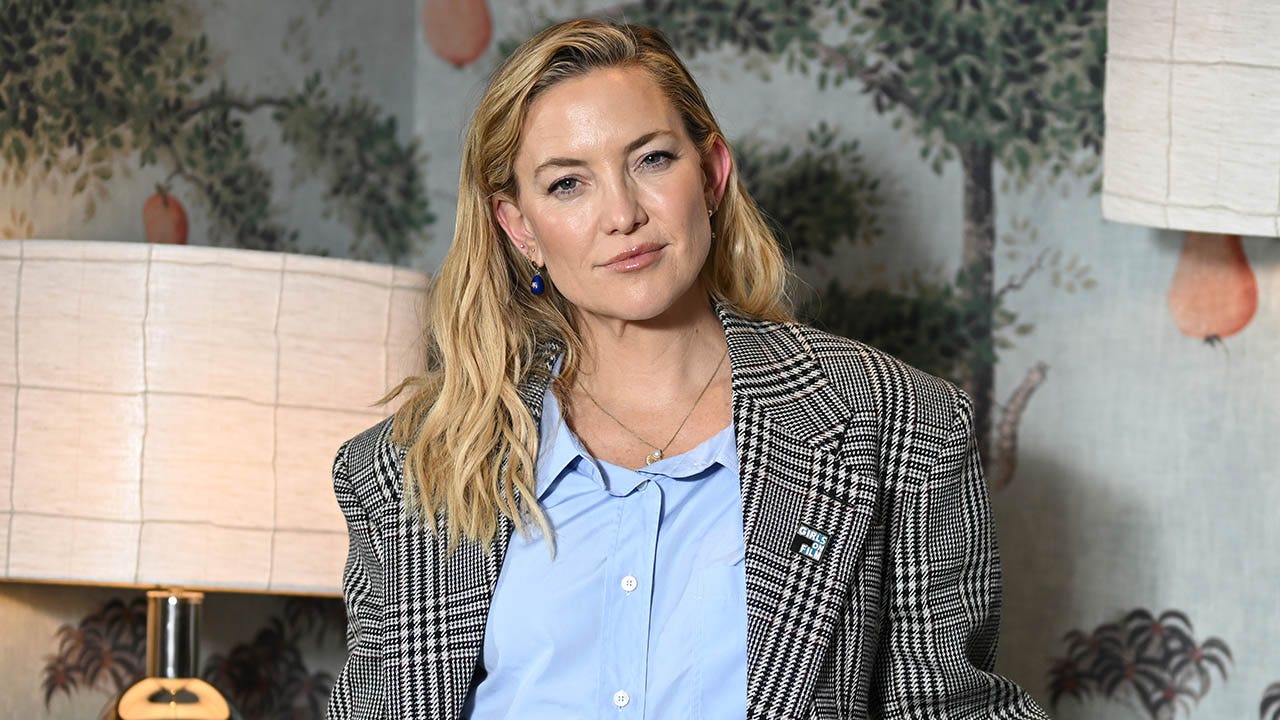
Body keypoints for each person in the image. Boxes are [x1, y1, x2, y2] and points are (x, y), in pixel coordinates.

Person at [326, 18, 1048, 720]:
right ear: (519, 228)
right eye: (568, 184)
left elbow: (948, 709)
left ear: (711, 174)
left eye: (651, 160)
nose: (622, 215)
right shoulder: (407, 468)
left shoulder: (901, 427)